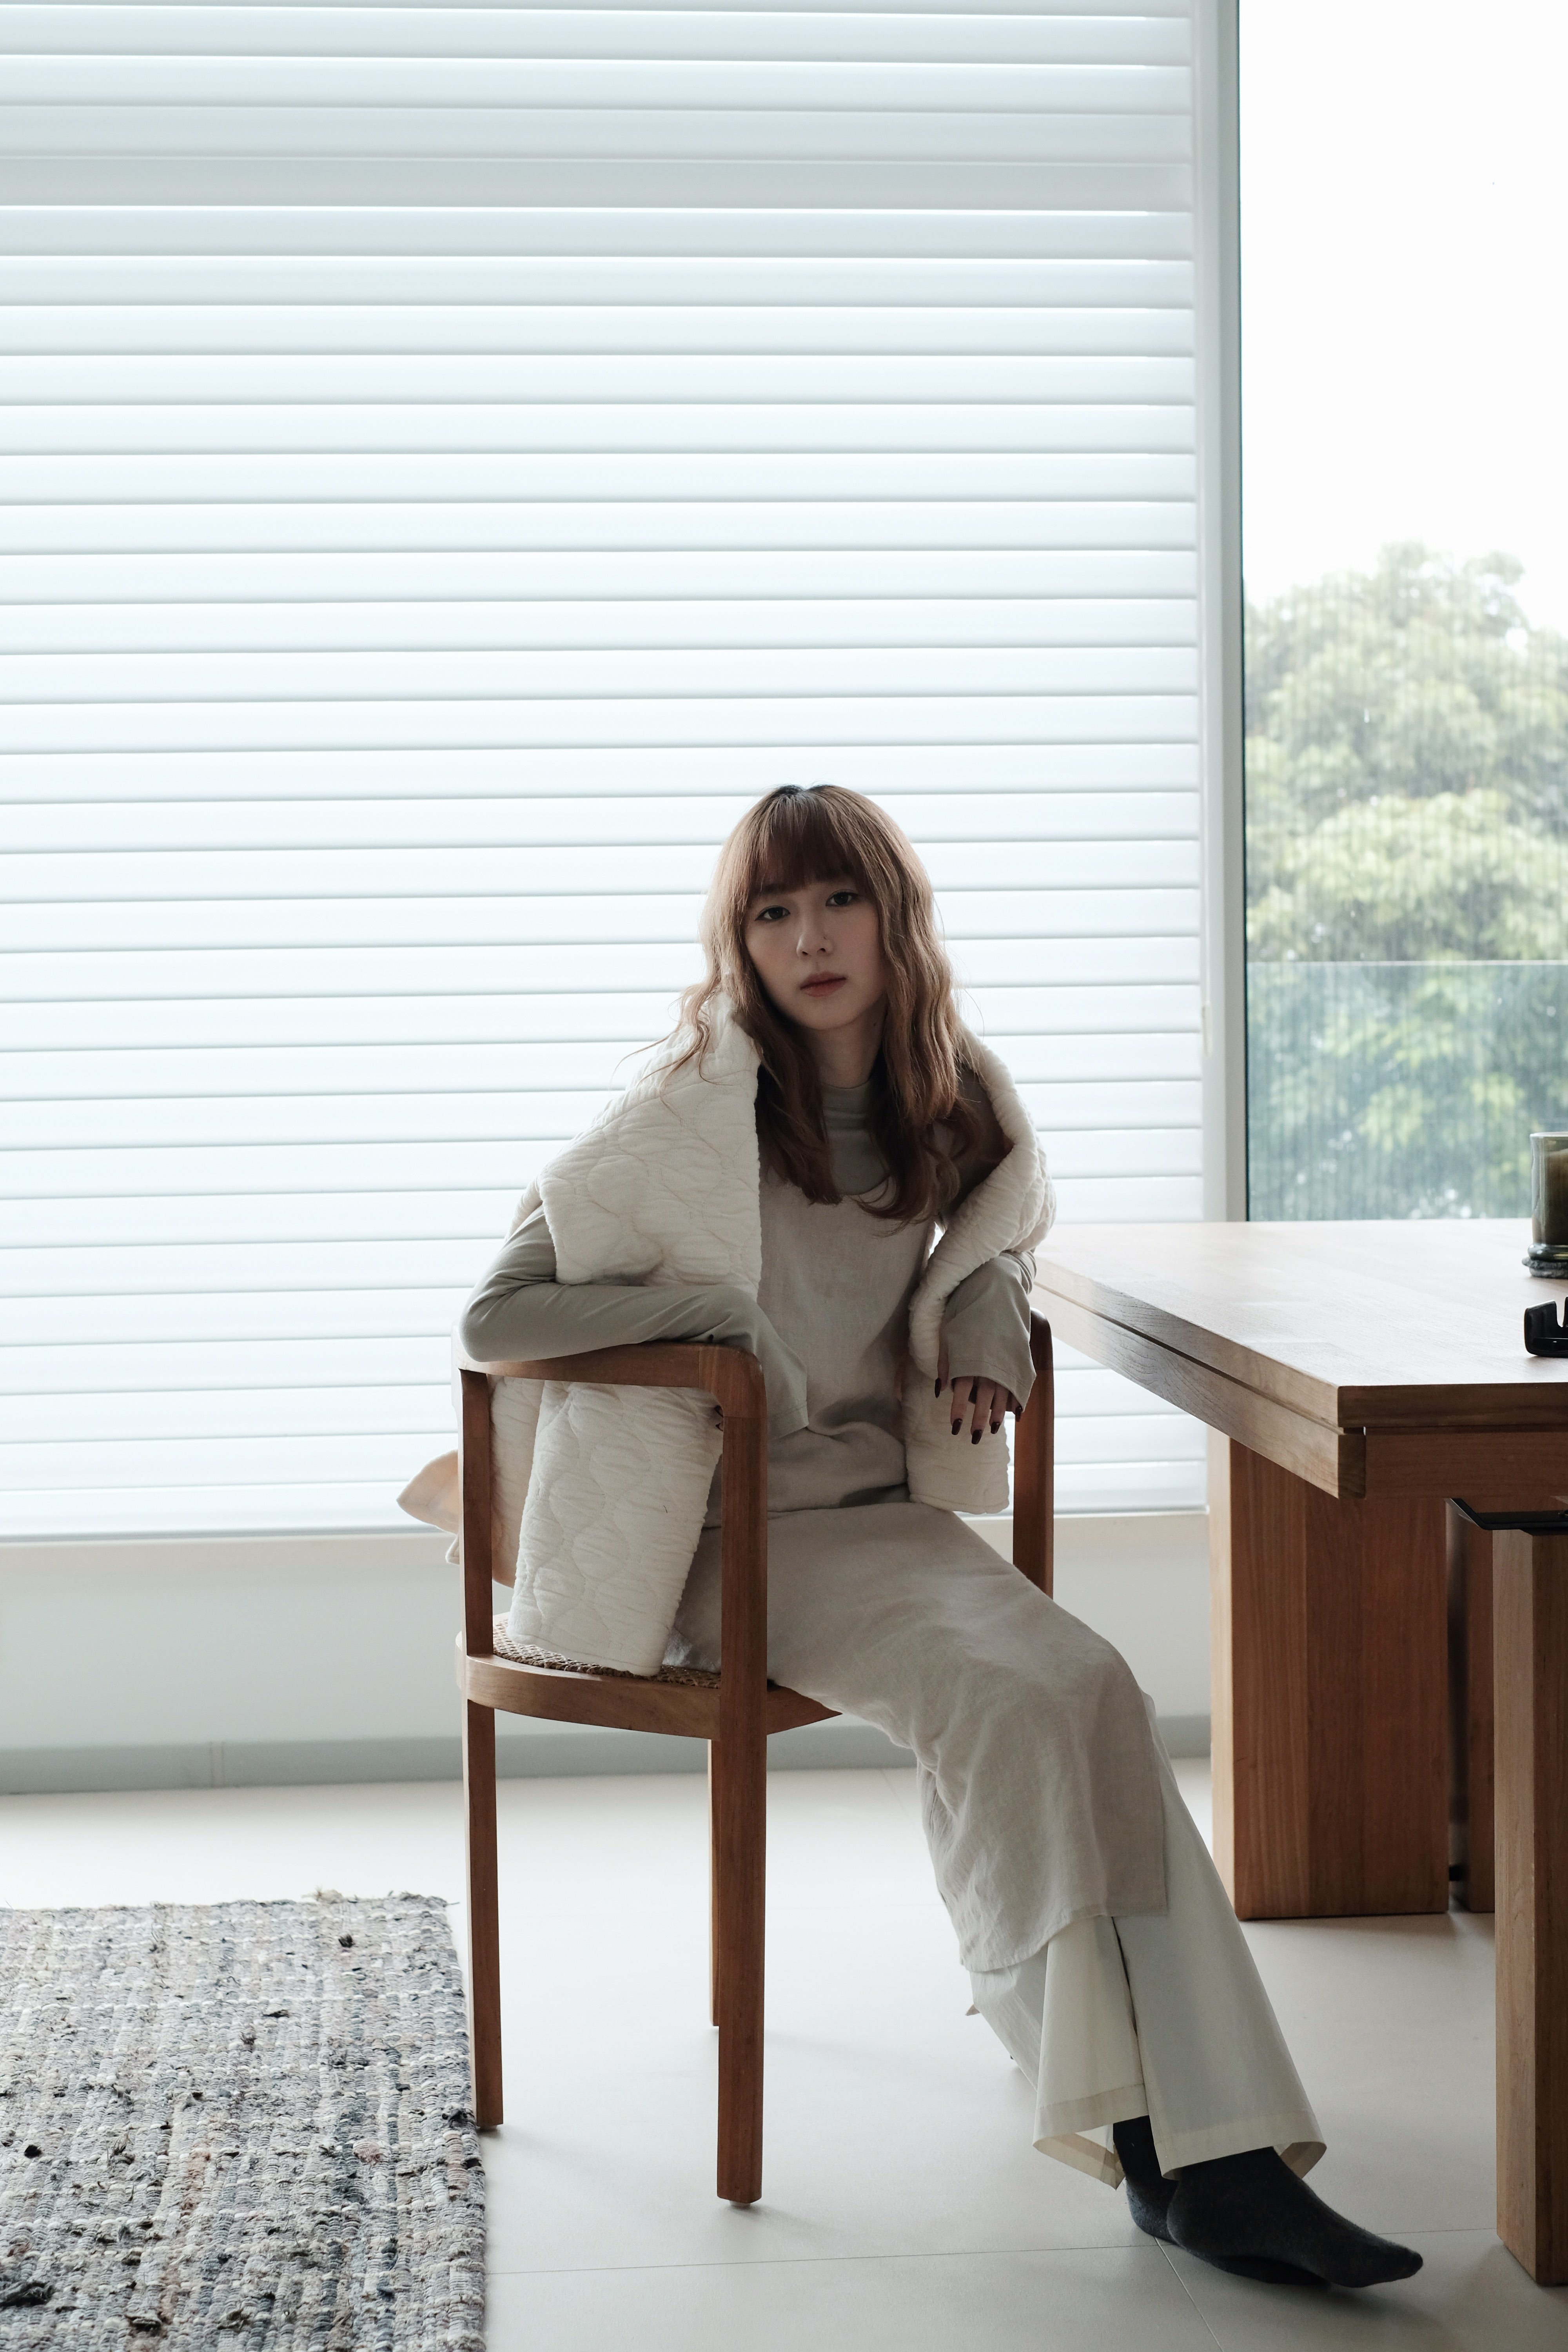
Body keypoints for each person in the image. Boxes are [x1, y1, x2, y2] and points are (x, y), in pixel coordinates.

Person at [458, 784, 1421, 2290]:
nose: (809, 938)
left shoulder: (947, 1099)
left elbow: (1000, 1231)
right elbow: (498, 1315)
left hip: (877, 1522)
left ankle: (1203, 2155)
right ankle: (1179, 2154)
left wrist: (981, 1314)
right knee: (1016, 1700)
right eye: (773, 912)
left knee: (1089, 1688)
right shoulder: (687, 1112)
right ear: (740, 943)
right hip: (726, 1541)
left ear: (893, 916)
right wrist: (718, 1319)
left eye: (838, 900)